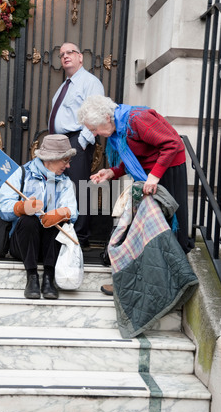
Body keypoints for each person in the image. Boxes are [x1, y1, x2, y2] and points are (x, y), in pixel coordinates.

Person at [77, 95, 194, 294]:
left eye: (95, 129)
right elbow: (135, 156)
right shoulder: (120, 128)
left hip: (166, 173)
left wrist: (154, 177)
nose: (95, 134)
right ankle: (131, 283)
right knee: (138, 229)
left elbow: (172, 144)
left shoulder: (138, 119)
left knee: (158, 229)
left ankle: (163, 282)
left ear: (106, 117)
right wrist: (113, 172)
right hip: (148, 176)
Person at [0, 135, 78, 300]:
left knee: (55, 222)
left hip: (51, 248)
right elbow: (2, 207)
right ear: (51, 159)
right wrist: (20, 208)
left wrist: (62, 213)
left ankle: (49, 277)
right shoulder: (21, 173)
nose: (68, 165)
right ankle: (32, 276)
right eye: (65, 160)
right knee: (30, 220)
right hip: (22, 245)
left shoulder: (66, 182)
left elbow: (72, 211)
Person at [48, 42, 104, 249]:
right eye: (62, 54)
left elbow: (97, 111)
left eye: (70, 52)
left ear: (81, 57)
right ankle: (63, 230)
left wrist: (81, 142)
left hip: (75, 141)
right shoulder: (65, 85)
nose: (65, 56)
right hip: (59, 142)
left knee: (79, 187)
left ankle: (81, 237)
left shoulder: (90, 82)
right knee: (61, 187)